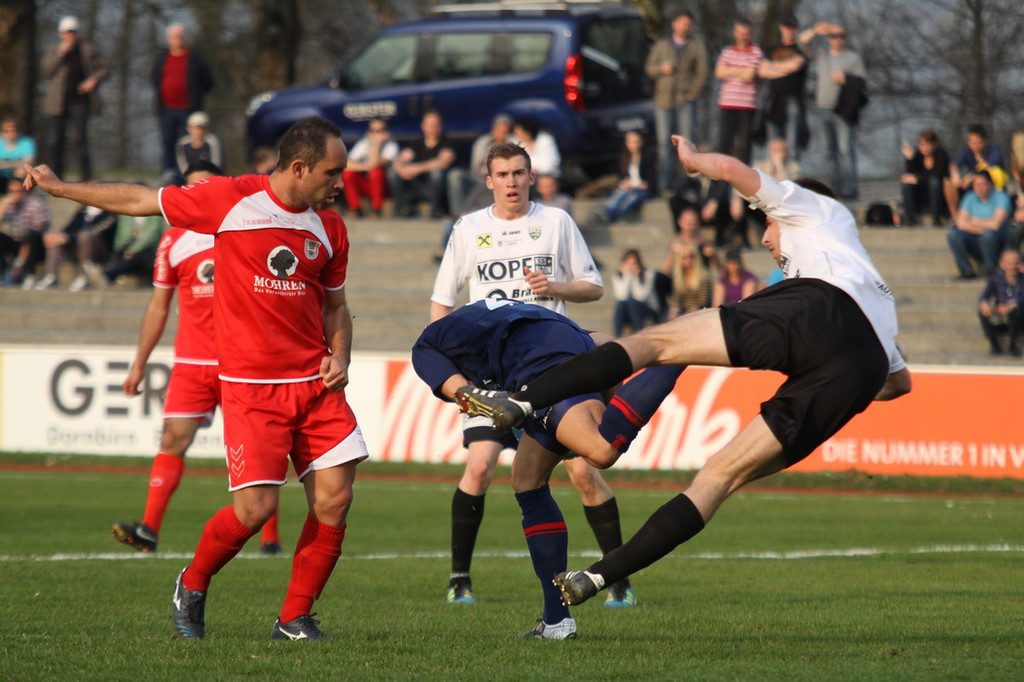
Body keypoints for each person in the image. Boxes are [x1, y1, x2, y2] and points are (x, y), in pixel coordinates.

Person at [454, 134, 912, 607]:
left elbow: (736, 172)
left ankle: (522, 400)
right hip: (861, 369)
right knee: (718, 478)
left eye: (768, 226)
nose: (765, 238)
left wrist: (695, 161)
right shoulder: (879, 296)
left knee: (657, 341)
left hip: (820, 307)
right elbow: (899, 383)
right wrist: (825, 374)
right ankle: (595, 578)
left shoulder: (818, 209)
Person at [24, 115, 369, 641]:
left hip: (315, 386)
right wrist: (59, 188)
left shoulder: (331, 226)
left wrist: (340, 356)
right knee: (255, 511)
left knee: (335, 499)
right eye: (333, 171)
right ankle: (194, 578)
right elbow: (141, 200)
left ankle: (294, 618)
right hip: (252, 389)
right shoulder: (228, 199)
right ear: (298, 167)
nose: (341, 182)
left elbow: (338, 308)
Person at [430, 141, 635, 609]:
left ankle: (618, 577)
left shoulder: (556, 222)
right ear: (488, 181)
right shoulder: (468, 228)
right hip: (493, 372)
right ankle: (460, 578)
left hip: (552, 367)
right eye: (502, 174)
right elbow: (443, 301)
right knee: (480, 466)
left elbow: (594, 285)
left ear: (531, 176)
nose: (512, 182)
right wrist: (449, 365)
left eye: (519, 173)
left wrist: (556, 286)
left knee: (584, 471)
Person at [414, 299, 684, 638]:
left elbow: (442, 370)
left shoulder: (432, 342)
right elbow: (601, 343)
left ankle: (677, 353)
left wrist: (469, 394)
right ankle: (556, 621)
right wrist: (613, 390)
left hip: (538, 366)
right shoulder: (499, 315)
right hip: (553, 352)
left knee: (601, 449)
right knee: (526, 479)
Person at [111, 162, 281, 556]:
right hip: (191, 362)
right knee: (172, 438)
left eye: (202, 189)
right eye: (188, 190)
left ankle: (270, 539)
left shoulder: (245, 229)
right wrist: (140, 362)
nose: (194, 197)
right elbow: (158, 307)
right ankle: (149, 531)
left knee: (260, 449)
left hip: (243, 364)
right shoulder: (173, 241)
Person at [799, 22, 866, 199]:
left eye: (841, 36)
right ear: (829, 39)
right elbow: (801, 43)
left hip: (843, 111)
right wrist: (814, 30)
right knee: (828, 152)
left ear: (845, 38)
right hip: (822, 109)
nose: (837, 39)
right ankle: (833, 190)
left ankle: (850, 190)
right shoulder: (822, 56)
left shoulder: (853, 58)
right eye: (833, 36)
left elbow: (862, 83)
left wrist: (846, 79)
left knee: (845, 151)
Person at [644, 10, 708, 191]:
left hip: (685, 99)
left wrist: (694, 92)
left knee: (687, 142)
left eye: (688, 24)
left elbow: (703, 73)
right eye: (682, 23)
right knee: (664, 144)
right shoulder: (661, 45)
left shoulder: (696, 47)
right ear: (674, 24)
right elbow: (649, 68)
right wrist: (661, 69)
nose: (685, 27)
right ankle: (666, 184)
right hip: (663, 99)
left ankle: (689, 183)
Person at [41, 16, 109, 181]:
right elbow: (47, 71)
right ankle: (56, 176)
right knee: (57, 139)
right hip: (58, 102)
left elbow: (105, 68)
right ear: (60, 33)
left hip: (80, 100)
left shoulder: (88, 49)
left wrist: (93, 80)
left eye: (73, 32)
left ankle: (85, 176)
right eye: (66, 32)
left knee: (79, 138)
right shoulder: (54, 50)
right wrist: (60, 54)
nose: (70, 35)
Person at [152, 24, 214, 183]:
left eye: (179, 37)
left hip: (189, 109)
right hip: (167, 108)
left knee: (190, 142)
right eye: (173, 37)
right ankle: (169, 174)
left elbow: (208, 81)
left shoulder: (196, 58)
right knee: (167, 140)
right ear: (168, 39)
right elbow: (154, 79)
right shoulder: (161, 58)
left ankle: (190, 173)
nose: (177, 40)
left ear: (185, 38)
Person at [35, 186, 118, 291]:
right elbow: (70, 227)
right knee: (55, 237)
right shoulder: (83, 209)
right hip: (78, 246)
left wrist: (68, 238)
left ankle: (83, 277)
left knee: (85, 235)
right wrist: (61, 235)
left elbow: (98, 230)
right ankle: (51, 276)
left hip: (100, 249)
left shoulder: (110, 210)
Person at [758, 16, 809, 161]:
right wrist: (785, 67)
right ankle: (772, 180)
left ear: (797, 29)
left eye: (792, 27)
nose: (789, 30)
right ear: (781, 28)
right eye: (787, 27)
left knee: (792, 145)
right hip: (773, 100)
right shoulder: (771, 49)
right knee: (773, 146)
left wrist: (774, 66)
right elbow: (762, 71)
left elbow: (796, 66)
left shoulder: (800, 49)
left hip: (793, 100)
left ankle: (792, 181)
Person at [389, 109, 456, 218]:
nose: (432, 128)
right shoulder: (416, 143)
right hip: (416, 185)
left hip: (435, 188)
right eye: (429, 125)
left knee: (437, 173)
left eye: (435, 125)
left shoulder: (447, 142)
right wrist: (402, 168)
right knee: (393, 172)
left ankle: (435, 211)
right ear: (423, 126)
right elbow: (401, 159)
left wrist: (416, 169)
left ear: (441, 126)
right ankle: (403, 208)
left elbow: (443, 161)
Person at [714, 17, 764, 164]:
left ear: (751, 34)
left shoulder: (756, 52)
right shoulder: (727, 51)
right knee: (724, 141)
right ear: (735, 33)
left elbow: (750, 75)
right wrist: (742, 70)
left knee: (745, 143)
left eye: (746, 33)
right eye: (741, 33)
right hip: (727, 103)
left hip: (747, 105)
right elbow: (719, 72)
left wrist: (730, 70)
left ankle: (743, 176)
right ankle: (721, 178)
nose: (743, 36)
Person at [946, 170, 1012, 279]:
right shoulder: (970, 197)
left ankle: (991, 271)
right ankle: (966, 270)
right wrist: (983, 227)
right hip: (976, 240)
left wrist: (974, 221)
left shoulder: (1001, 197)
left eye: (983, 184)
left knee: (989, 235)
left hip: (998, 241)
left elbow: (996, 225)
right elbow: (960, 223)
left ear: (990, 184)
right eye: (977, 185)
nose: (980, 187)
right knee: (953, 235)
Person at [595, 131, 657, 224]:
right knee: (617, 195)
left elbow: (650, 180)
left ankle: (611, 217)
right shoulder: (625, 157)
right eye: (631, 142)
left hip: (642, 189)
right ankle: (607, 214)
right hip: (629, 187)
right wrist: (623, 183)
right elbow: (621, 176)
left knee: (631, 198)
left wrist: (641, 185)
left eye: (637, 142)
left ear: (641, 142)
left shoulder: (648, 157)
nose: (634, 145)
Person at [342, 118, 399, 219]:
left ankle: (376, 210)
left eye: (381, 130)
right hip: (366, 183)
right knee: (348, 174)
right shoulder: (363, 143)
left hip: (384, 187)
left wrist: (377, 143)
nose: (377, 134)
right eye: (374, 131)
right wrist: (365, 167)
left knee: (376, 173)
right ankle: (355, 208)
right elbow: (346, 163)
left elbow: (375, 164)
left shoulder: (391, 146)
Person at [0, 178, 50, 287]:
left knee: (32, 235)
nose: (15, 194)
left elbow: (37, 232)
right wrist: (4, 204)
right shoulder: (10, 204)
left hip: (37, 246)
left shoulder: (35, 204)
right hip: (17, 242)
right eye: (12, 191)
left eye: (18, 191)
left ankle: (30, 275)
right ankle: (2, 274)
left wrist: (19, 263)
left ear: (25, 191)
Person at [899, 130, 952, 226]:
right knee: (906, 184)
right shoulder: (918, 155)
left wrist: (918, 180)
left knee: (934, 182)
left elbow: (938, 174)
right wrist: (909, 158)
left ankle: (937, 218)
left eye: (927, 144)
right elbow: (910, 173)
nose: (924, 148)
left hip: (939, 192)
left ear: (934, 144)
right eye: (921, 144)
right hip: (921, 191)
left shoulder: (941, 155)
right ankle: (910, 218)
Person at [977, 249, 1024, 356]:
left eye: (1015, 262)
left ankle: (1013, 345)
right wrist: (984, 304)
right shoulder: (996, 280)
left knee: (1016, 312)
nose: (1012, 266)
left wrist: (1011, 305)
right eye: (1009, 262)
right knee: (983, 312)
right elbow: (985, 295)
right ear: (1002, 264)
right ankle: (994, 345)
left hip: (1019, 315)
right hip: (1002, 313)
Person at [612, 249, 658, 336]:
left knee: (633, 303)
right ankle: (616, 337)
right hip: (627, 309)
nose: (630, 266)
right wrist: (626, 276)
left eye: (633, 263)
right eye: (627, 263)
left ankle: (638, 335)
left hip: (647, 308)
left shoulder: (648, 273)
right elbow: (621, 296)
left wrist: (636, 276)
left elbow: (641, 297)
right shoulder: (618, 275)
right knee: (620, 304)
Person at [950, 124, 1007, 193]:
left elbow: (990, 168)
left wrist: (972, 176)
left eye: (979, 142)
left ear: (986, 141)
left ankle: (998, 197)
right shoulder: (966, 151)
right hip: (973, 185)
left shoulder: (994, 151)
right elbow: (954, 165)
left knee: (997, 172)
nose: (975, 146)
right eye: (972, 142)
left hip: (990, 185)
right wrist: (955, 174)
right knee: (948, 182)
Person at [666, 241, 712, 318]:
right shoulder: (677, 277)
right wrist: (675, 310)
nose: (688, 259)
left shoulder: (703, 276)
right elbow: (677, 298)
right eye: (684, 257)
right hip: (683, 310)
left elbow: (702, 300)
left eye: (691, 256)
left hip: (700, 310)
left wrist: (688, 313)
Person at [175, 111, 222, 178]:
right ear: (189, 128)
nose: (199, 131)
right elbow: (182, 165)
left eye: (202, 128)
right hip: (190, 179)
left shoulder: (212, 142)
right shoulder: (182, 144)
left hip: (210, 178)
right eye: (196, 128)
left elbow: (216, 164)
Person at [0, 118, 36, 188]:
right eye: (6, 131)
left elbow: (28, 163)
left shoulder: (27, 142)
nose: (10, 134)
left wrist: (5, 165)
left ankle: (18, 192)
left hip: (18, 174)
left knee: (21, 171)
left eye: (13, 131)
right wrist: (17, 163)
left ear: (19, 131)